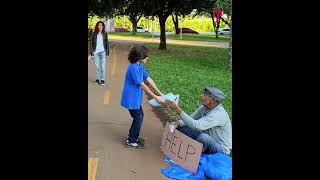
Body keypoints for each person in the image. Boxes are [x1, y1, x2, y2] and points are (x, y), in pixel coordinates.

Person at [164, 86, 232, 155]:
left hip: (220, 148)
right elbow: (192, 119)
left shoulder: (218, 114)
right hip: (206, 136)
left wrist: (177, 109)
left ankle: (189, 156)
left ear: (213, 101)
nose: (201, 96)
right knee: (183, 128)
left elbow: (197, 126)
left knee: (203, 138)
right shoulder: (204, 107)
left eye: (204, 95)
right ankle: (177, 149)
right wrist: (178, 123)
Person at [120, 45, 164, 149]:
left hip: (135, 98)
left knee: (139, 117)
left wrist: (160, 93)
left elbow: (148, 79)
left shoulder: (139, 65)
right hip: (131, 98)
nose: (147, 58)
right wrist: (155, 97)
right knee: (138, 117)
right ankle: (131, 141)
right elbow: (142, 85)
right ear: (139, 57)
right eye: (145, 56)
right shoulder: (133, 68)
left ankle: (132, 137)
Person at [90, 21, 109, 86]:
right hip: (96, 52)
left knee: (103, 67)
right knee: (97, 67)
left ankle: (103, 80)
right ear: (97, 26)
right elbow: (91, 44)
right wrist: (92, 53)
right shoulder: (94, 34)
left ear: (103, 26)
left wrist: (107, 53)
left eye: (101, 25)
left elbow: (107, 43)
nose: (100, 26)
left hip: (103, 52)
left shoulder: (105, 33)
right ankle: (97, 79)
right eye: (99, 25)